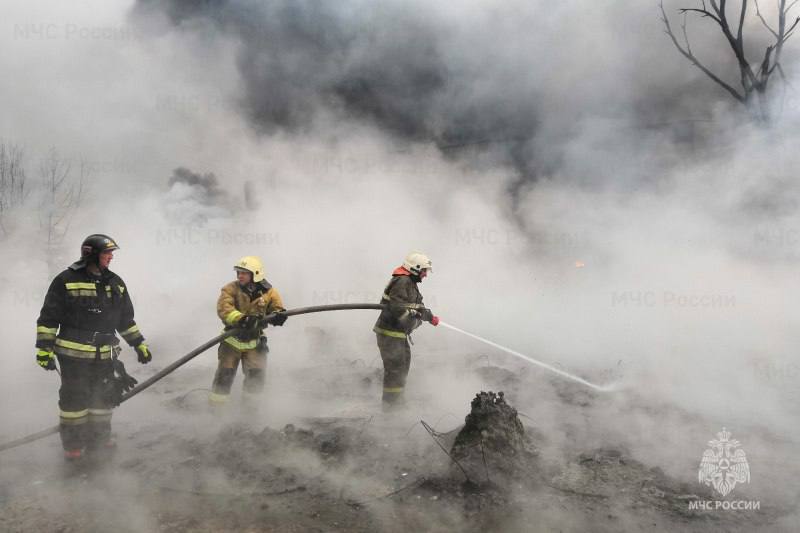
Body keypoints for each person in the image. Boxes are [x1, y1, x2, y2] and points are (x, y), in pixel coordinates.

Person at [35, 234, 152, 460]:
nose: (111, 257)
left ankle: (99, 438)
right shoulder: (65, 280)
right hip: (74, 356)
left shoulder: (115, 283)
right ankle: (73, 445)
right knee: (74, 402)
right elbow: (49, 318)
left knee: (103, 398)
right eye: (107, 253)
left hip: (105, 355)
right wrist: (43, 349)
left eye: (111, 254)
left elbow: (125, 320)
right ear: (92, 254)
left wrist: (139, 344)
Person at [209, 256, 288, 407]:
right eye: (238, 272)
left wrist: (279, 316)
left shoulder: (269, 292)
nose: (240, 276)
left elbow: (277, 308)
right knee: (224, 377)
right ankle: (215, 412)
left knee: (256, 378)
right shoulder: (230, 289)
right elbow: (224, 309)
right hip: (232, 341)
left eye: (244, 273)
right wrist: (241, 319)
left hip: (255, 342)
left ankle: (250, 413)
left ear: (255, 274)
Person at [373, 251, 438, 408]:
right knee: (395, 370)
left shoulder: (410, 283)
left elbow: (417, 305)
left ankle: (397, 401)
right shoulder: (402, 281)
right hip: (390, 334)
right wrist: (413, 322)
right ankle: (390, 408)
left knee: (403, 367)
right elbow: (397, 309)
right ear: (415, 269)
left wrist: (428, 315)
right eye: (424, 271)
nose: (425, 275)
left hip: (398, 335)